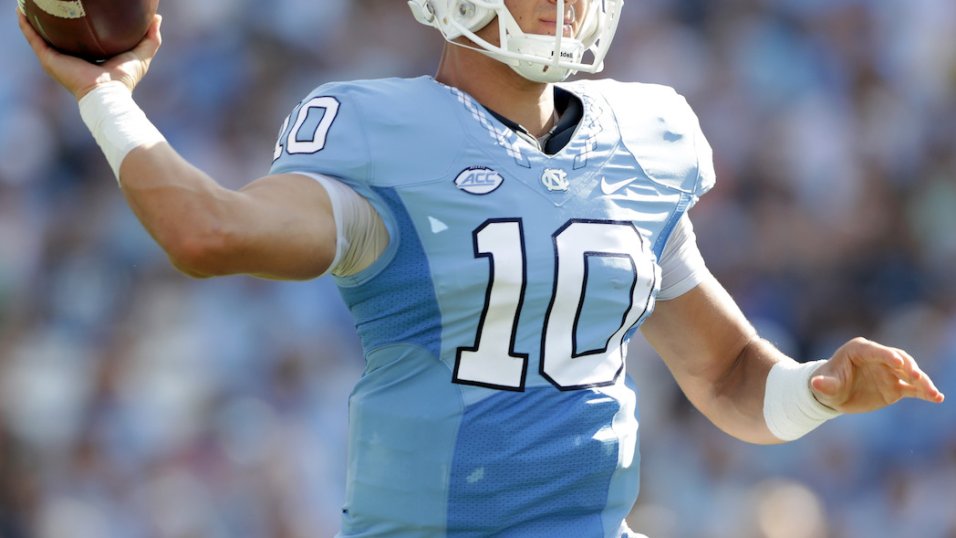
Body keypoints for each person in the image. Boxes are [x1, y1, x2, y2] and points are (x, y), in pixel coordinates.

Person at [18, 1, 945, 536]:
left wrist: (818, 389)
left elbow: (730, 375)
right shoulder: (382, 132)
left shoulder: (642, 140)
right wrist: (106, 99)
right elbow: (206, 232)